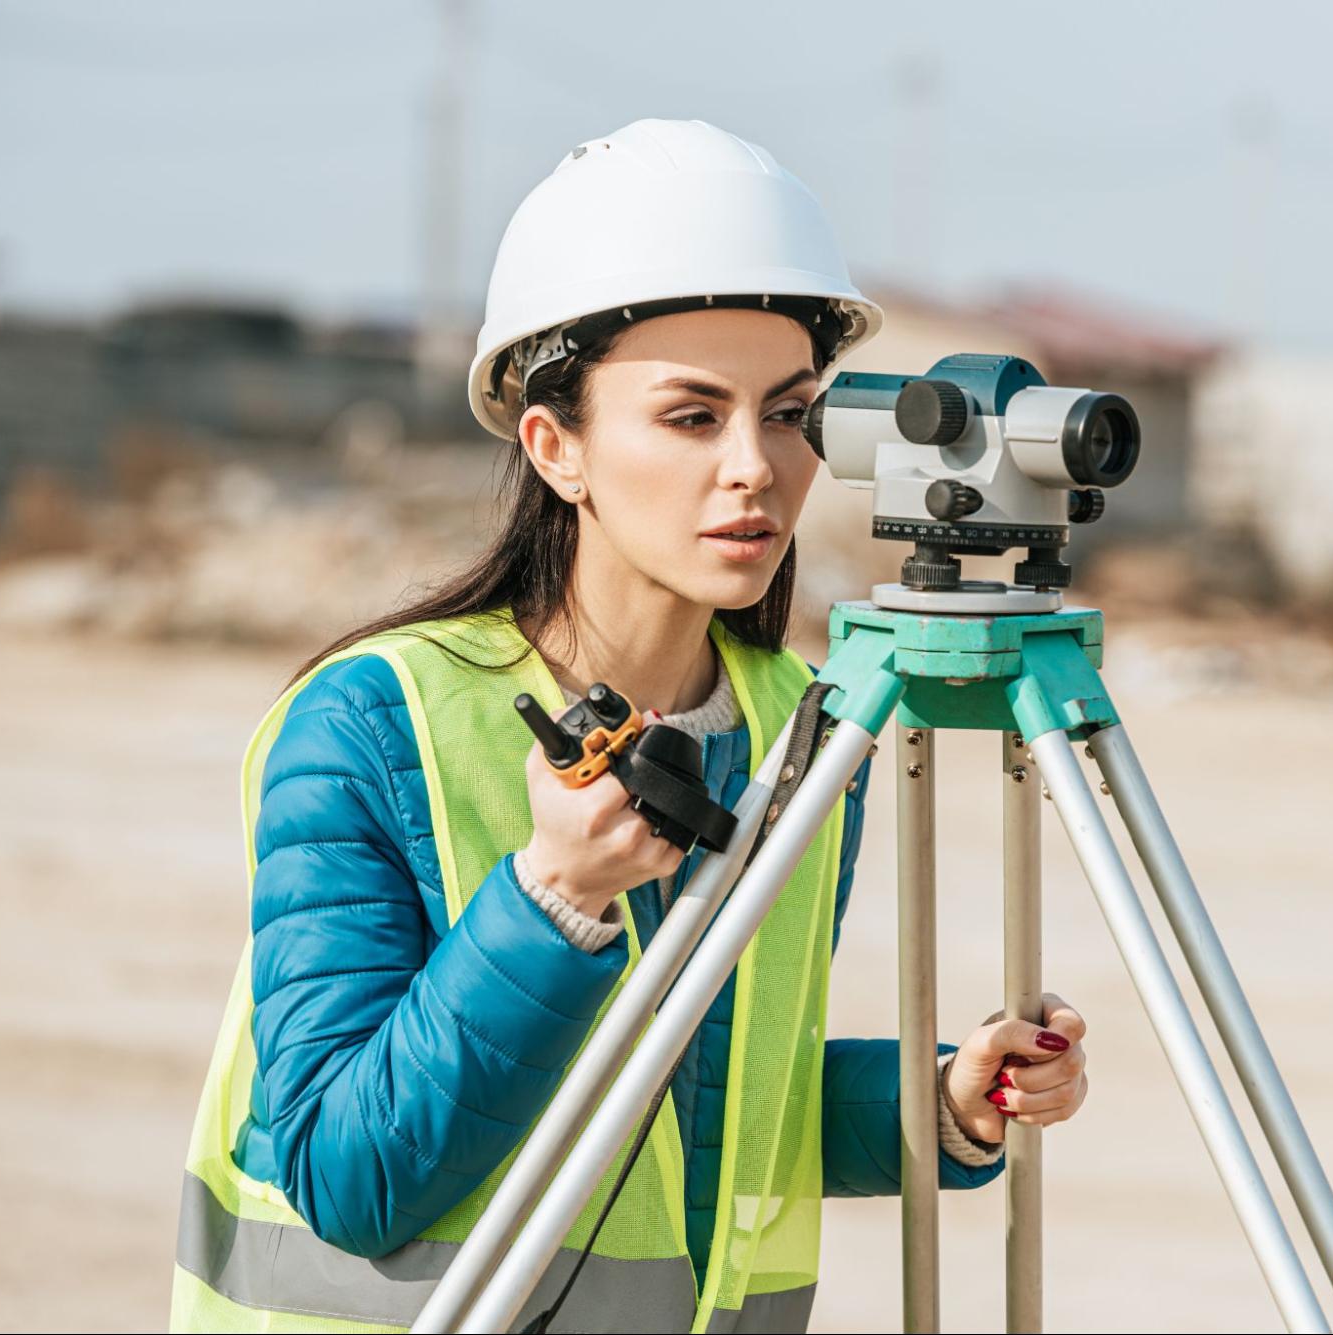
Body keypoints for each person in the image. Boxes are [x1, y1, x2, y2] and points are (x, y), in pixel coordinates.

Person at [171, 119, 1091, 1334]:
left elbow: (699, 1104)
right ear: (557, 447)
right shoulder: (375, 722)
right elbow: (349, 1175)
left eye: (788, 412)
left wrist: (939, 1102)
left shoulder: (806, 733)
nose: (755, 468)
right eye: (691, 416)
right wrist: (550, 900)